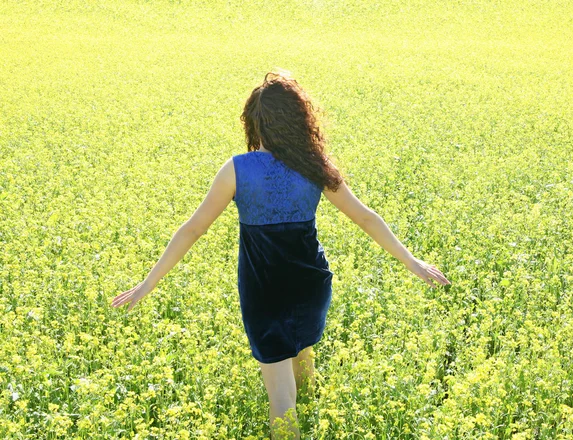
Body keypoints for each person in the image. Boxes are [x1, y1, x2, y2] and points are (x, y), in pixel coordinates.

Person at [111, 71, 451, 439]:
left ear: (255, 123)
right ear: (301, 119)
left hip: (264, 292)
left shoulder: (237, 170)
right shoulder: (315, 165)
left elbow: (192, 229)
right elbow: (366, 217)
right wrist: (411, 261)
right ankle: (310, 408)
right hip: (310, 284)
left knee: (280, 396)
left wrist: (148, 283)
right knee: (302, 350)